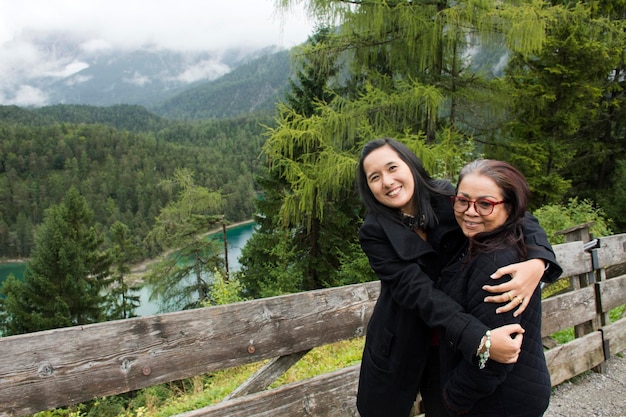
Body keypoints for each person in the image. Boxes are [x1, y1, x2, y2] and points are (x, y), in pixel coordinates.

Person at [355, 138, 561, 417]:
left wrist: (538, 261)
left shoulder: (447, 198)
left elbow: (517, 214)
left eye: (393, 168)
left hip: (452, 340)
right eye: (374, 177)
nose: (387, 181)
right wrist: (481, 339)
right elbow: (416, 291)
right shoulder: (374, 231)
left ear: (410, 165)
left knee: (448, 404)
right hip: (406, 333)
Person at [437, 159, 554, 416]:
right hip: (512, 391)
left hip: (500, 400)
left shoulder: (496, 262)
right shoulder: (482, 242)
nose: (470, 211)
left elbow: (496, 357)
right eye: (463, 201)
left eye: (485, 204)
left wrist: (452, 398)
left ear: (509, 208)